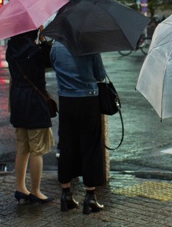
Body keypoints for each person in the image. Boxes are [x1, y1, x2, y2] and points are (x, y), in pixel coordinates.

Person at [51, 39, 106, 214]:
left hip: (66, 101)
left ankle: (66, 194)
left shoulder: (56, 46)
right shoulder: (89, 44)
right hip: (88, 100)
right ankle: (90, 197)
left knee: (67, 145)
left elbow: (55, 67)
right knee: (91, 147)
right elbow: (100, 75)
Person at [6, 28, 55, 204]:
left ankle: (20, 187)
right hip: (34, 102)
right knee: (37, 148)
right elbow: (50, 61)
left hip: (18, 99)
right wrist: (43, 40)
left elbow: (13, 75)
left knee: (22, 147)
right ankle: (35, 190)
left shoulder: (11, 46)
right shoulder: (35, 51)